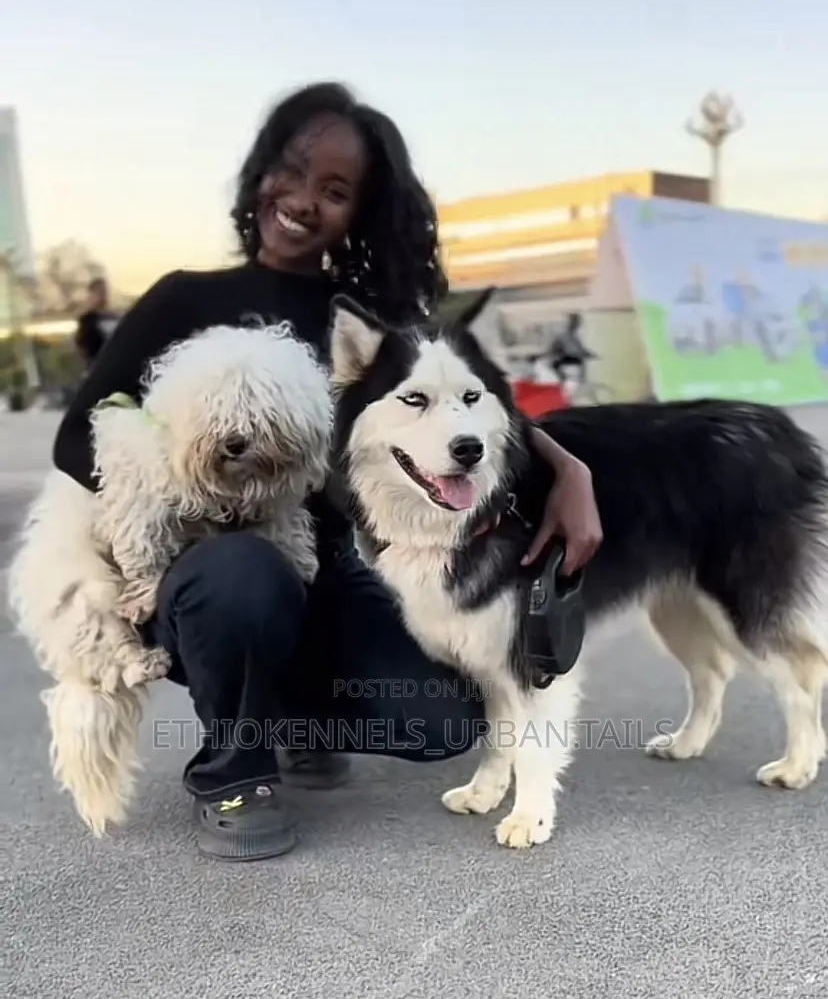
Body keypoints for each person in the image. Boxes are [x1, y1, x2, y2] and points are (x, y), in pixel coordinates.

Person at [52, 81, 603, 861]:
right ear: (262, 170)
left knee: (442, 719)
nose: (304, 200)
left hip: (339, 566)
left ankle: (290, 716)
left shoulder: (374, 317)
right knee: (242, 576)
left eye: (335, 191)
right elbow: (78, 434)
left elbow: (459, 406)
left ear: (362, 212)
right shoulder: (184, 299)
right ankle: (235, 771)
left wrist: (567, 465)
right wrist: (199, 490)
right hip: (209, 563)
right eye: (293, 170)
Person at [74, 277, 118, 369]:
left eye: (105, 292)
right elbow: (84, 344)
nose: (103, 296)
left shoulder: (114, 317)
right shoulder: (88, 320)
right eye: (99, 292)